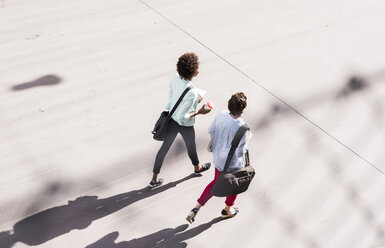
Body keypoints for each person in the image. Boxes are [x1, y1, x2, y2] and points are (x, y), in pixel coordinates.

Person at [186, 92, 252, 223]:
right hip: (233, 164)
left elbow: (211, 131)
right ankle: (227, 209)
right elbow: (240, 152)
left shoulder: (221, 115)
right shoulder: (243, 129)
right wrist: (249, 139)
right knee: (235, 185)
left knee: (216, 183)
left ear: (229, 106)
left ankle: (196, 207)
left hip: (218, 160)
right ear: (243, 109)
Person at [149, 52, 212, 188]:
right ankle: (197, 168)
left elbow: (172, 97)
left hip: (170, 119)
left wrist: (194, 100)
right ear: (192, 72)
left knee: (164, 149)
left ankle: (154, 179)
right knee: (191, 146)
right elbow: (182, 117)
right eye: (196, 68)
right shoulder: (192, 92)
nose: (198, 70)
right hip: (184, 124)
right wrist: (198, 112)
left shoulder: (175, 78)